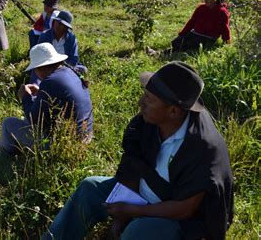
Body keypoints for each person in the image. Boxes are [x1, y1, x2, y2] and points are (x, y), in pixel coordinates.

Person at [44, 61, 234, 240]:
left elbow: (185, 209)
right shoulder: (147, 122)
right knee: (90, 188)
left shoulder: (202, 149)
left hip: (178, 218)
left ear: (173, 111)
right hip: (143, 196)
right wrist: (123, 213)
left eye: (149, 99)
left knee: (138, 232)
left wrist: (134, 212)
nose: (141, 103)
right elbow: (132, 164)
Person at [0, 43, 93, 156]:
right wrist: (41, 92)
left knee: (8, 123)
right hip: (85, 138)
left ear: (41, 67)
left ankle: (6, 155)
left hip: (64, 146)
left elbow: (33, 119)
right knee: (31, 110)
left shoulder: (49, 81)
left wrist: (25, 97)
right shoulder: (70, 72)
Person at [147, 0, 231, 56]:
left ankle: (158, 54)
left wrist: (226, 42)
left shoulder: (221, 12)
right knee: (176, 42)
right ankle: (163, 52)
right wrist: (182, 34)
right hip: (195, 33)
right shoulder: (201, 8)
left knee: (186, 46)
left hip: (207, 38)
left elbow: (225, 28)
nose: (205, 0)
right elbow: (192, 22)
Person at [37, 10, 87, 75]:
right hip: (48, 66)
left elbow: (74, 58)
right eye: (57, 22)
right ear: (54, 22)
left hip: (65, 67)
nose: (58, 25)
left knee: (83, 69)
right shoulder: (44, 35)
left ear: (66, 28)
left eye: (61, 24)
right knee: (36, 72)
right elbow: (39, 55)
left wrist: (64, 67)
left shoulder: (71, 38)